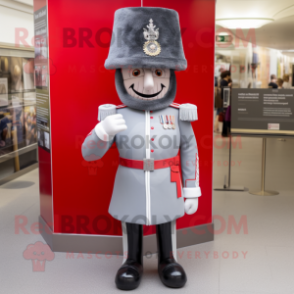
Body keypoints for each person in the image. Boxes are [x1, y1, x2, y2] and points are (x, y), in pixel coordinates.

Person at [81, 8, 201, 290]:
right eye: (136, 72)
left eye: (158, 72)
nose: (149, 83)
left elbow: (189, 150)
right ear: (122, 73)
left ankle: (167, 259)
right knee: (131, 221)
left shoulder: (178, 113)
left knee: (166, 222)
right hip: (130, 180)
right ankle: (131, 260)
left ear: (169, 74)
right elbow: (89, 154)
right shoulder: (114, 113)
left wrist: (192, 186)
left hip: (167, 180)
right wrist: (102, 130)